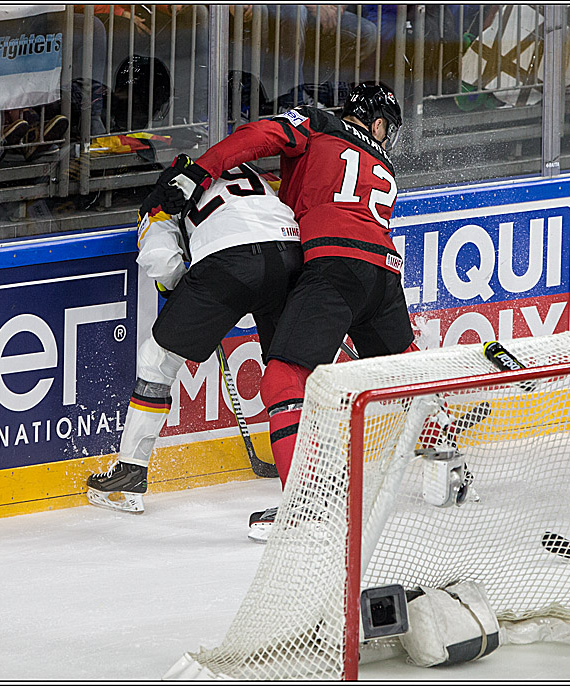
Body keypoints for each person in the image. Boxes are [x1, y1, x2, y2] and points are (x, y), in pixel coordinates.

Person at [150, 83, 414, 540]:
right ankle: (449, 459)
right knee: (408, 373)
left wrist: (200, 170)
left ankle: (302, 508)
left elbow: (258, 137)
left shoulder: (320, 123)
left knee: (282, 378)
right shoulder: (382, 163)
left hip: (333, 266)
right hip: (384, 275)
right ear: (376, 123)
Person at [86, 157, 304, 513]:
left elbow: (161, 259)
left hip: (227, 263)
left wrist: (180, 296)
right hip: (291, 256)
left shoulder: (166, 192)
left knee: (157, 360)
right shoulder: (261, 175)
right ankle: (314, 475)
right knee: (290, 370)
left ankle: (130, 470)